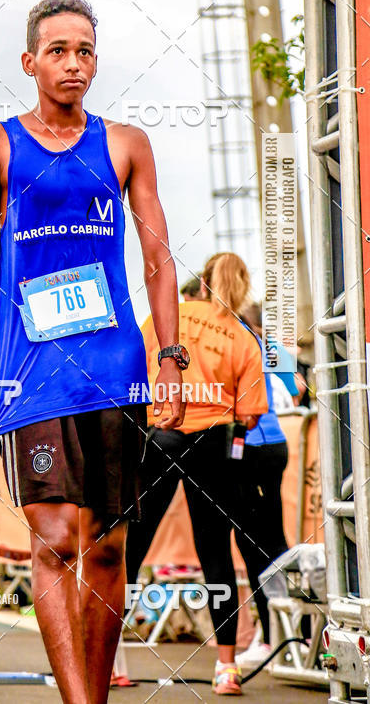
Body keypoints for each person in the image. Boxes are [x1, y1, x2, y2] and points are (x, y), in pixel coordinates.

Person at [0, 0, 186, 704]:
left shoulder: (125, 144)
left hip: (114, 370)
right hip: (31, 377)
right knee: (56, 538)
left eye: (85, 50)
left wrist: (171, 359)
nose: (73, 63)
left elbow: (159, 259)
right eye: (57, 50)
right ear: (30, 62)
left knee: (110, 545)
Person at [127, 252, 268, 696]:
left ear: (203, 283)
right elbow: (250, 414)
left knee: (132, 543)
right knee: (215, 552)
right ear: (242, 288)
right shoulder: (244, 338)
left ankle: (109, 660)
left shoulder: (170, 316)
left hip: (162, 433)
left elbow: (135, 365)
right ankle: (226, 667)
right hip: (214, 442)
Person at [232, 302, 292, 668]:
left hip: (251, 447)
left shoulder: (235, 337)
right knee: (273, 539)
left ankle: (273, 636)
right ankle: (283, 632)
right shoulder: (267, 344)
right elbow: (297, 390)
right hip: (275, 444)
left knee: (252, 542)